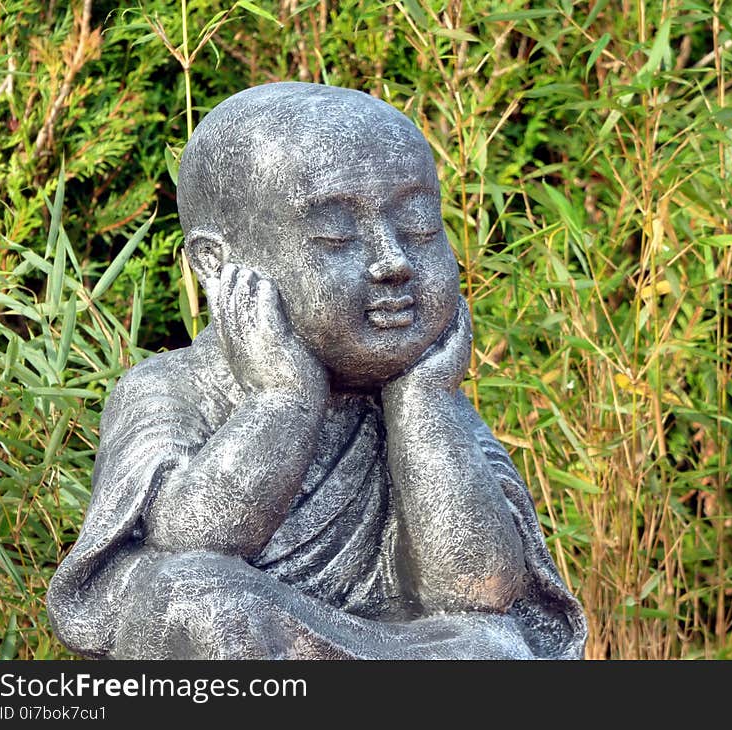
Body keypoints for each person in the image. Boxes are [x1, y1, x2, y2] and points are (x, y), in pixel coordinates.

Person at [46, 82, 587, 659]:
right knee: (198, 603)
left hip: (400, 650)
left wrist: (426, 403)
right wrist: (282, 399)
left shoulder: (426, 394)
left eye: (420, 229)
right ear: (218, 263)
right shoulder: (170, 387)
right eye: (336, 236)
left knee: (493, 646)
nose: (392, 261)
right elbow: (192, 536)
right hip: (257, 638)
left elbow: (479, 586)